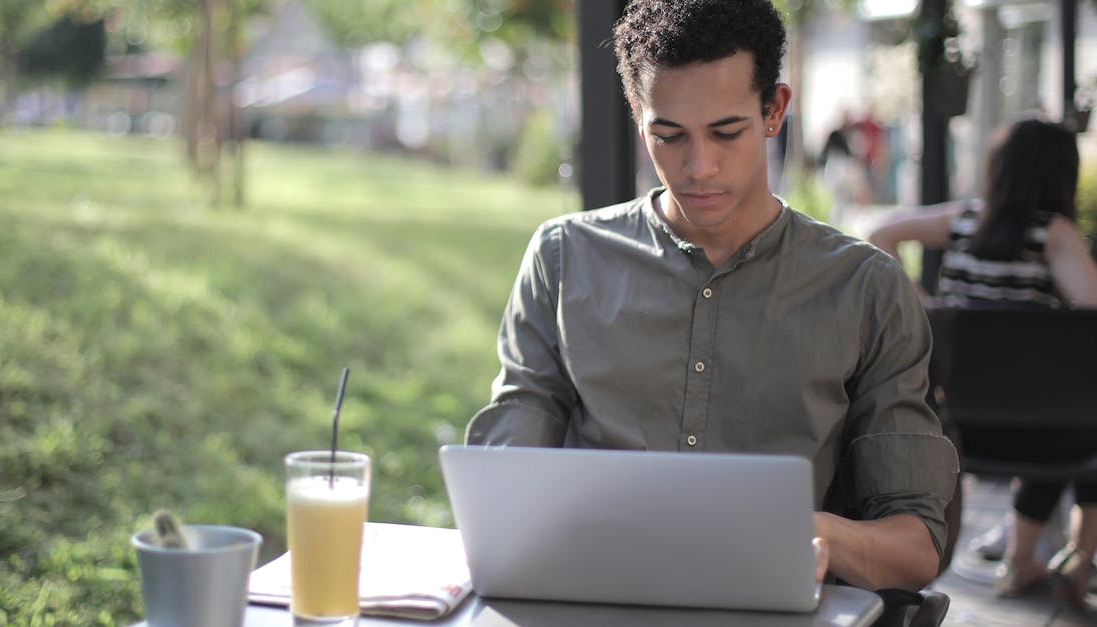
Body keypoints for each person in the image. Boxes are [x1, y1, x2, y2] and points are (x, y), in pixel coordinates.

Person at [466, 0, 958, 594]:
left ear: (774, 110)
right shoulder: (564, 258)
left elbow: (917, 547)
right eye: (668, 135)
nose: (699, 167)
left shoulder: (865, 289)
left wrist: (810, 532)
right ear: (636, 114)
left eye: (727, 132)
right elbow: (506, 484)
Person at [868, 117, 1097, 607]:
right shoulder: (1055, 235)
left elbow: (880, 233)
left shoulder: (963, 221)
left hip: (957, 426)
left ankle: (1027, 558)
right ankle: (1063, 557)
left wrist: (926, 307)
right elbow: (1091, 314)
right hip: (1046, 435)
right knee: (1087, 416)